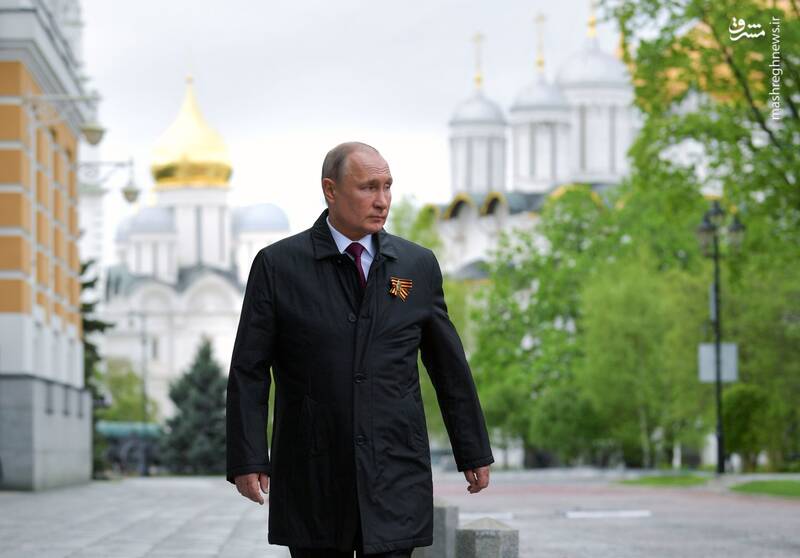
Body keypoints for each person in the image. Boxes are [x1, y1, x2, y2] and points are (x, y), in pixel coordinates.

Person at [226, 142, 493, 557]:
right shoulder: (279, 266)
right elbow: (249, 370)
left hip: (395, 467)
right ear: (330, 190)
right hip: (313, 470)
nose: (382, 200)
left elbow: (448, 367)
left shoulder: (416, 265)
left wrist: (472, 448)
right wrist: (248, 458)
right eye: (368, 187)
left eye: (387, 186)